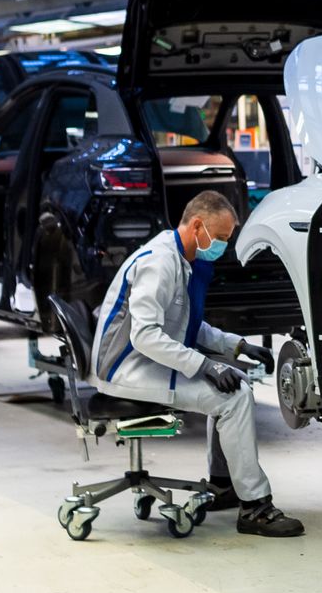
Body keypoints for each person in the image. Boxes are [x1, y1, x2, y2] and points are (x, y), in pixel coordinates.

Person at [88, 189, 303, 537]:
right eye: (219, 238)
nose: (221, 246)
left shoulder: (180, 259)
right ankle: (255, 507)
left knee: (234, 383)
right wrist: (206, 366)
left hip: (145, 360)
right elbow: (145, 336)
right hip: (128, 369)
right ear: (198, 225)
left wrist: (238, 346)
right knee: (232, 399)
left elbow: (188, 325)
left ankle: (223, 484)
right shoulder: (160, 262)